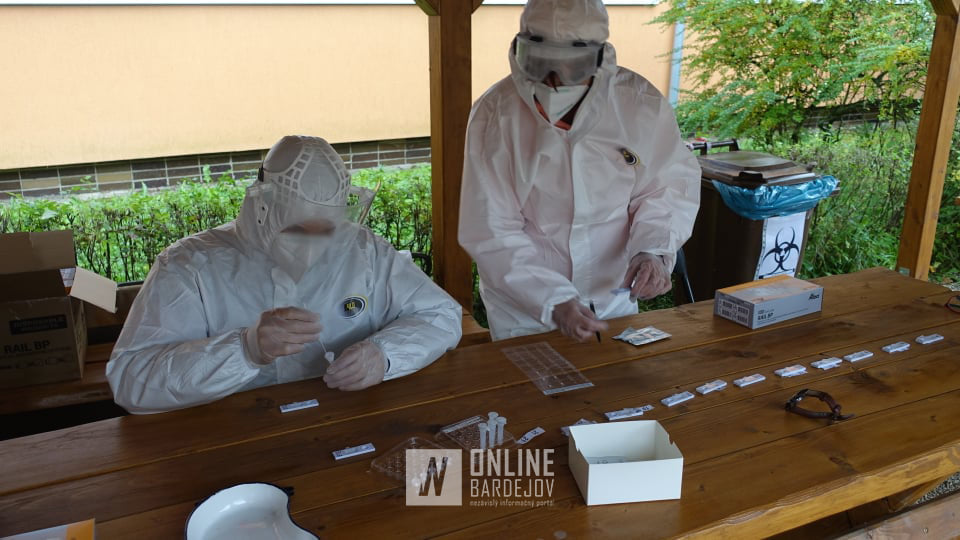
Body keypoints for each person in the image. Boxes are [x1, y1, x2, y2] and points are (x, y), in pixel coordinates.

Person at [107, 135, 462, 414]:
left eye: (327, 229)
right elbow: (131, 381)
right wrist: (244, 349)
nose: (313, 245)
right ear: (262, 205)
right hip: (226, 441)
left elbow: (441, 315)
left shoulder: (363, 250)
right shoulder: (190, 265)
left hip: (345, 423)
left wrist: (384, 355)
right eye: (298, 229)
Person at [459, 0, 701, 342]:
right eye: (541, 63)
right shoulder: (496, 113)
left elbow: (666, 188)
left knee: (615, 374)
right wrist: (552, 299)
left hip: (613, 297)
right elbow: (491, 227)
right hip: (526, 310)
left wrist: (653, 249)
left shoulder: (638, 103)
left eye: (572, 66)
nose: (555, 80)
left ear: (599, 59)